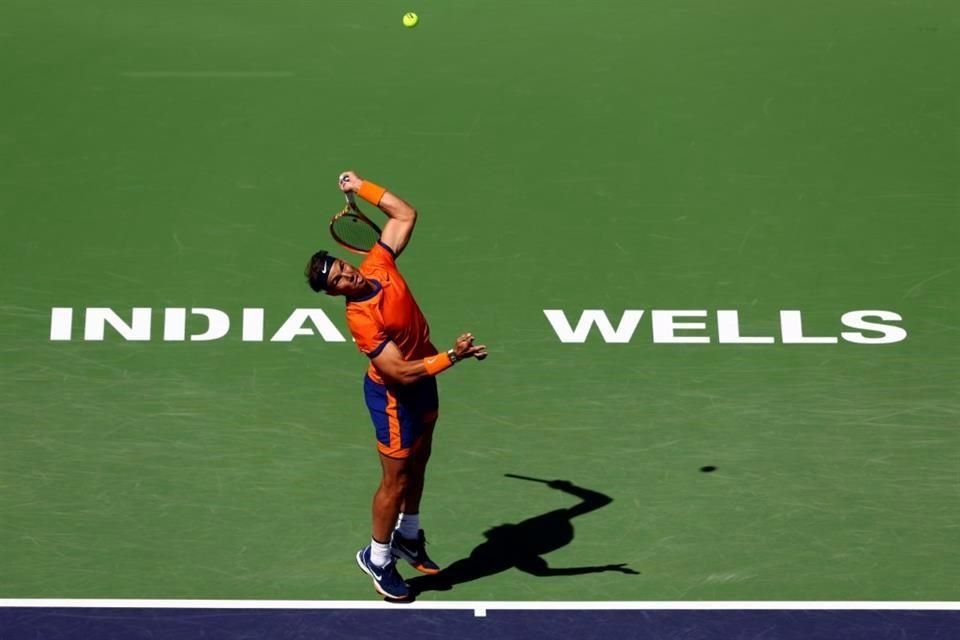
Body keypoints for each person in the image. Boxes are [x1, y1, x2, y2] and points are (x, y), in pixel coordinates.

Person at [304, 171, 488, 600]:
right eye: (338, 282)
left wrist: (359, 186)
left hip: (425, 380)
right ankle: (378, 556)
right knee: (395, 481)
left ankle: (409, 534)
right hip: (394, 396)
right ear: (335, 293)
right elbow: (400, 373)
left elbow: (405, 214)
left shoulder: (377, 264)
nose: (347, 276)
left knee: (420, 460)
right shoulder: (362, 320)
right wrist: (453, 357)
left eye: (343, 268)